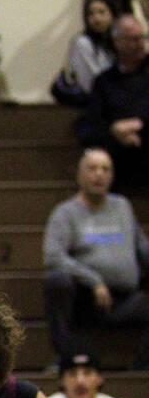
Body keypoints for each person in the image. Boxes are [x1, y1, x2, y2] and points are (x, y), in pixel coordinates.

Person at [43, 147, 149, 369]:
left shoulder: (122, 206)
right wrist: (94, 280)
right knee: (56, 279)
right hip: (85, 299)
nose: (99, 174)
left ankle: (139, 371)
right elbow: (53, 257)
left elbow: (142, 248)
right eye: (92, 168)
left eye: (105, 169)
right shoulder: (66, 213)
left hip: (123, 299)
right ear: (79, 175)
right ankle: (65, 355)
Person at [76, 14, 149, 189]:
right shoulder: (105, 82)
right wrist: (114, 130)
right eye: (133, 39)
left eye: (142, 38)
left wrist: (140, 123)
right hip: (118, 155)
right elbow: (93, 121)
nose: (140, 44)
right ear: (117, 42)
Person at [52, 0, 116, 107]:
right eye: (91, 14)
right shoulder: (82, 43)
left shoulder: (114, 42)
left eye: (102, 12)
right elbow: (92, 82)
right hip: (93, 104)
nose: (97, 18)